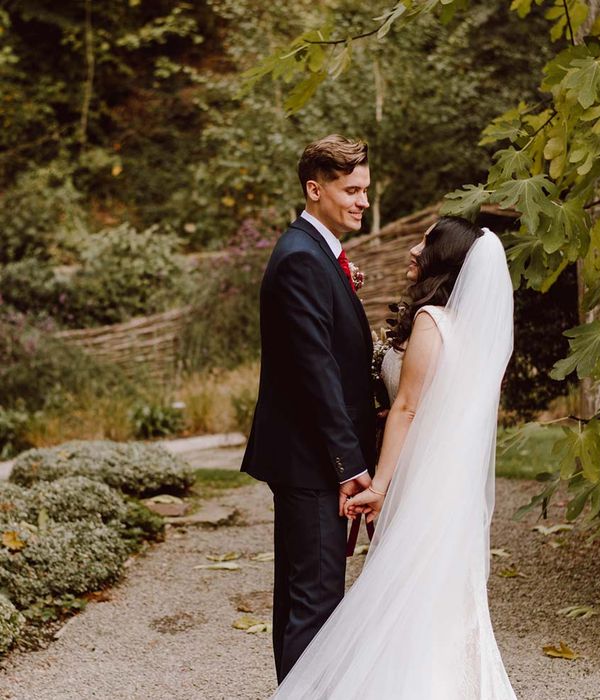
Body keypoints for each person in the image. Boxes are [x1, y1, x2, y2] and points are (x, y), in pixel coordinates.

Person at [271, 216, 518, 699]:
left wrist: (379, 485)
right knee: (437, 602)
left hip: (418, 484)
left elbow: (406, 408)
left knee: (405, 601)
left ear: (442, 257)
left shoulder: (432, 322)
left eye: (425, 241)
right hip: (449, 487)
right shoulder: (473, 333)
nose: (413, 248)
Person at [240, 134, 377, 682]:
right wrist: (351, 465)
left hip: (312, 458)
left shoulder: (318, 253)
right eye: (351, 190)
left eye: (365, 189)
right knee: (315, 601)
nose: (363, 201)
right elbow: (316, 375)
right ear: (315, 189)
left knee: (305, 595)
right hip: (312, 461)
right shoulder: (301, 258)